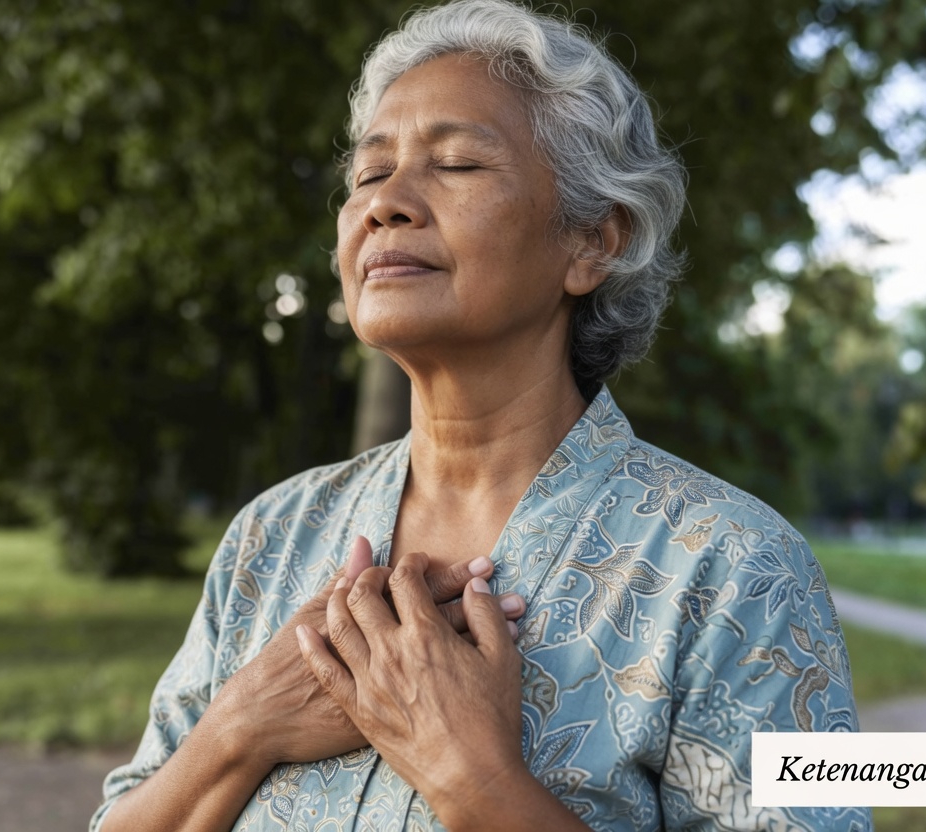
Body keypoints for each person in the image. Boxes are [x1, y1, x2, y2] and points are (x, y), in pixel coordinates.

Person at [92, 1, 871, 830]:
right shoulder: (270, 536)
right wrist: (242, 727)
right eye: (368, 175)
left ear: (593, 242)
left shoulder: (737, 568)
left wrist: (471, 775)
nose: (386, 203)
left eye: (458, 163)